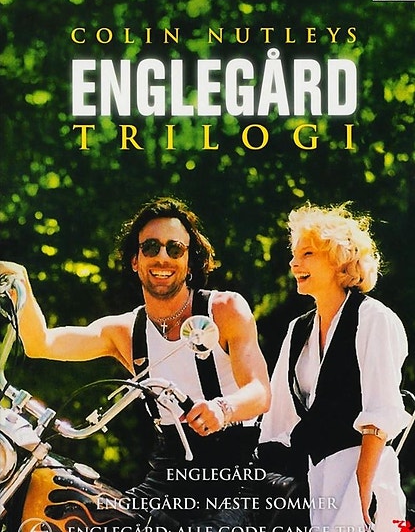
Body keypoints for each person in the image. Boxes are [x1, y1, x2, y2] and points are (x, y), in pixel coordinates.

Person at [0, 196, 271, 530]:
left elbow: (260, 392)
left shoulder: (225, 309)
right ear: (135, 260)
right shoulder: (125, 332)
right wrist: (20, 282)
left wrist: (222, 409)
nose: (162, 257)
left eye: (175, 249)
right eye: (151, 247)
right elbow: (41, 343)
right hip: (169, 473)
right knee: (95, 517)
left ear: (190, 261)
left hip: (235, 475)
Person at [259, 203, 411, 532]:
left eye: (308, 253)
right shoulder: (297, 330)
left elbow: (381, 414)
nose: (294, 263)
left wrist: (361, 493)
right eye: (294, 254)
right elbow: (277, 418)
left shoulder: (373, 319)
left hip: (363, 477)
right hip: (311, 483)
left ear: (339, 259)